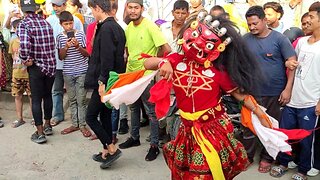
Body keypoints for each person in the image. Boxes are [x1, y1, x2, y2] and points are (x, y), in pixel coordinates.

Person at [143, 12, 271, 180]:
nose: (198, 44)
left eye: (208, 44)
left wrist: (260, 114)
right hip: (186, 129)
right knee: (184, 172)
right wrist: (162, 62)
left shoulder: (218, 72)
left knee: (206, 173)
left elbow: (241, 96)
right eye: (195, 36)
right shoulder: (175, 59)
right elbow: (146, 63)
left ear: (217, 49)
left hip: (212, 130)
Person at [243, 5, 297, 173]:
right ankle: (248, 155)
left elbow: (292, 63)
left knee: (270, 126)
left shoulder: (280, 39)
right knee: (249, 127)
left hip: (274, 92)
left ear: (265, 20)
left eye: (255, 23)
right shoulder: (245, 39)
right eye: (249, 24)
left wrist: (287, 90)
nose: (252, 27)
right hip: (250, 93)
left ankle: (267, 158)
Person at [270, 2, 320, 180]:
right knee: (285, 134)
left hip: (310, 102)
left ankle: (304, 170)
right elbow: (292, 65)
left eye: (312, 17)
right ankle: (284, 162)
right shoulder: (302, 42)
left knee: (307, 140)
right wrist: (287, 66)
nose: (308, 20)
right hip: (293, 99)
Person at [118, 0, 171, 162]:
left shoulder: (150, 26)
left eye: (136, 7)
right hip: (131, 75)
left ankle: (154, 145)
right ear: (126, 9)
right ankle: (134, 137)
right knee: (133, 108)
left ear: (142, 9)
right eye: (130, 7)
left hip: (146, 76)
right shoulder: (128, 28)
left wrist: (156, 65)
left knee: (151, 111)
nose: (133, 11)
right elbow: (128, 51)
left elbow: (166, 49)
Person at [85, 0, 125, 169]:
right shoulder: (115, 26)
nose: (92, 14)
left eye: (92, 10)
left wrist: (102, 82)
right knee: (106, 116)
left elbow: (107, 58)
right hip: (112, 79)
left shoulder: (108, 28)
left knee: (91, 117)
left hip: (105, 81)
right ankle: (106, 151)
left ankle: (111, 148)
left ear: (98, 8)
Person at [17, 0, 56, 143]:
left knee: (36, 99)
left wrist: (25, 57)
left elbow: (25, 45)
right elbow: (52, 44)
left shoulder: (24, 24)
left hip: (37, 67)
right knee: (48, 96)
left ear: (22, 9)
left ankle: (40, 133)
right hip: (50, 66)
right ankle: (47, 125)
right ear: (35, 8)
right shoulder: (45, 22)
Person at [46, 0, 83, 127]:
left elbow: (82, 40)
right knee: (56, 90)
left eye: (58, 5)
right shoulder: (49, 20)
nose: (56, 8)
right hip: (56, 62)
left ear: (64, 5)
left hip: (74, 64)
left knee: (77, 95)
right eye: (54, 5)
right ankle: (58, 115)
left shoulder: (76, 21)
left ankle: (79, 120)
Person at [56, 11, 91, 137]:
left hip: (82, 70)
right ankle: (75, 124)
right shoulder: (60, 37)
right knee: (72, 99)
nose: (69, 26)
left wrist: (78, 47)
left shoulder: (81, 34)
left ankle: (82, 125)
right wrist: (65, 47)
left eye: (70, 23)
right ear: (61, 24)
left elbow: (87, 53)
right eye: (66, 24)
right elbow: (61, 57)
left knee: (81, 100)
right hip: (68, 72)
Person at [9, 18, 32, 128]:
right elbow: (12, 56)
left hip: (28, 74)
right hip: (16, 74)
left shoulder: (30, 41)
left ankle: (34, 118)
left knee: (32, 96)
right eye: (17, 28)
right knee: (17, 96)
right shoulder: (13, 41)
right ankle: (20, 118)